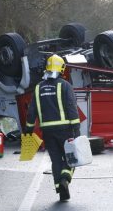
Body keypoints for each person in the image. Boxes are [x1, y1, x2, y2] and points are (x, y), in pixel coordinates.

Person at [24, 54, 80, 201]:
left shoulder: (38, 88)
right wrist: (77, 129)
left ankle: (60, 191)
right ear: (61, 68)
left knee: (55, 160)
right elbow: (71, 108)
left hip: (47, 132)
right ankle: (64, 180)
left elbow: (31, 111)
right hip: (65, 130)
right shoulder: (65, 85)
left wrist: (28, 130)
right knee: (71, 158)